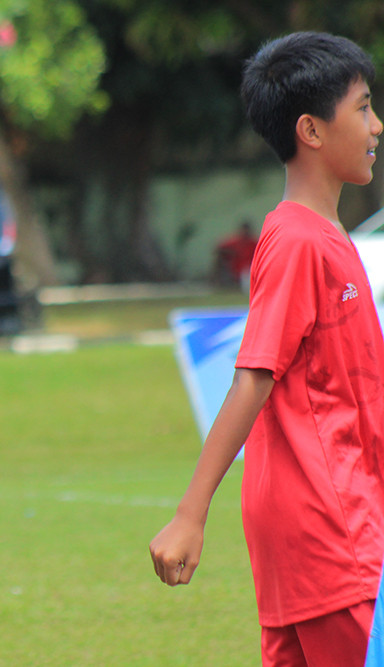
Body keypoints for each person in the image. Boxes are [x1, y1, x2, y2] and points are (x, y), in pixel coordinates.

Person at [149, 31, 384, 667]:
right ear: (311, 130)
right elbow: (253, 378)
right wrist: (190, 514)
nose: (376, 125)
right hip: (334, 529)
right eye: (363, 108)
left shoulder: (323, 236)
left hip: (314, 532)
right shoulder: (299, 242)